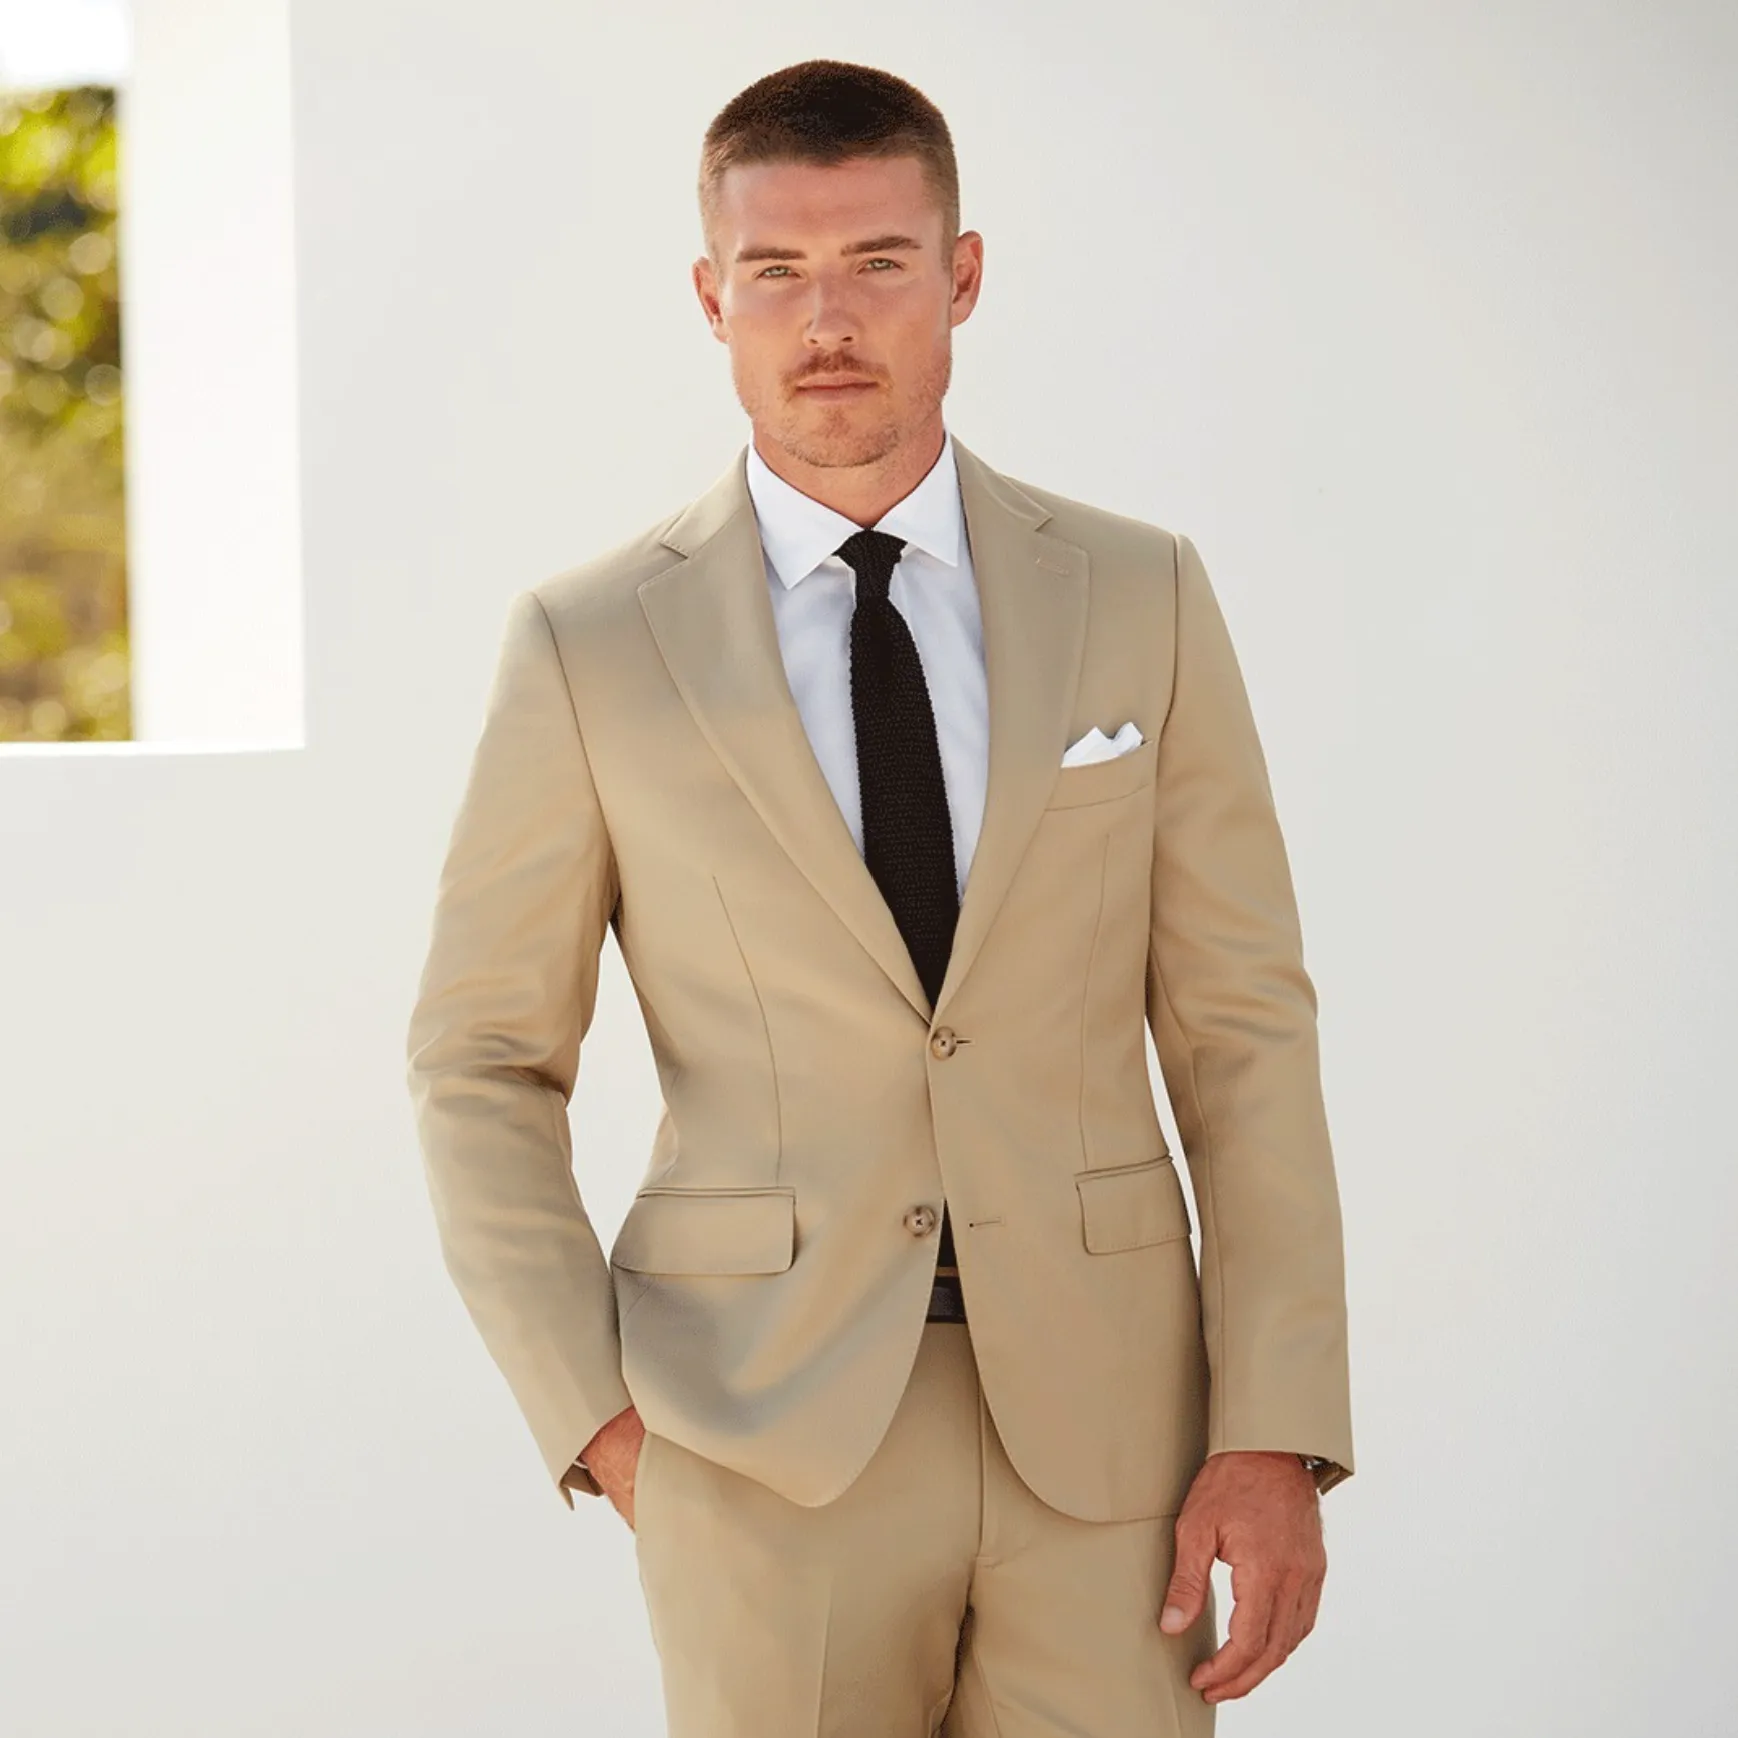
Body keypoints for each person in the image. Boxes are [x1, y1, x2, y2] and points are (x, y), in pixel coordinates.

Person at [406, 56, 1354, 1737]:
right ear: (711, 297)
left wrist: (1270, 1422)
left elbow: (1240, 1030)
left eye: (877, 264)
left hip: (1112, 1437)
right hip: (758, 1435)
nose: (823, 318)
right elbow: (480, 1056)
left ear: (962, 276)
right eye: (774, 272)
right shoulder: (590, 642)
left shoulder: (1138, 592)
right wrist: (598, 1417)